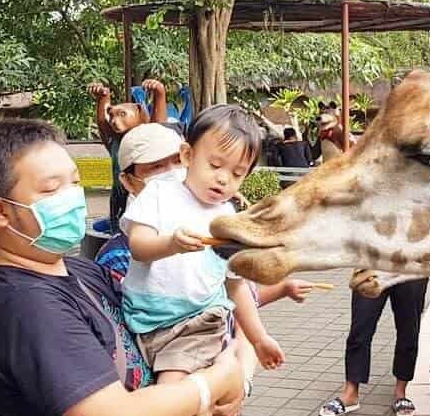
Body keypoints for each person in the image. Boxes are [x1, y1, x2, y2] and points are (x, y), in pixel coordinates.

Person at [0, 118, 246, 416]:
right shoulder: (26, 307)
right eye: (52, 190)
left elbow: (184, 321)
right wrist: (214, 383)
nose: (72, 197)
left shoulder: (80, 271)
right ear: (0, 211)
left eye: (75, 182)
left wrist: (217, 389)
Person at [121, 105, 283, 416]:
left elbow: (236, 286)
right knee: (183, 405)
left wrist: (258, 338)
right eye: (216, 165)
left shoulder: (227, 220)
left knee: (175, 407)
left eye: (238, 174)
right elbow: (139, 246)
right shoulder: (159, 195)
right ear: (187, 155)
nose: (224, 180)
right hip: (147, 325)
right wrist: (172, 244)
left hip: (195, 325)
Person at [95, 123, 316, 302]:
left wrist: (280, 292)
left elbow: (235, 294)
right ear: (128, 182)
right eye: (155, 167)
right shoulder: (116, 256)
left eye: (176, 161)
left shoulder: (210, 224)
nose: (172, 172)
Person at [319, 277, 428, 416]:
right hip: (373, 265)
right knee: (360, 329)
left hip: (410, 265)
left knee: (409, 330)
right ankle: (350, 394)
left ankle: (400, 392)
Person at [88, 78, 171, 232]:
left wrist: (159, 94)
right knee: (118, 231)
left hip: (143, 196)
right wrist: (103, 98)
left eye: (122, 114)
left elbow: (159, 127)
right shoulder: (115, 142)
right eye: (112, 115)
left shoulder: (146, 141)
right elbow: (102, 121)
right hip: (119, 196)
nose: (114, 120)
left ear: (139, 112)